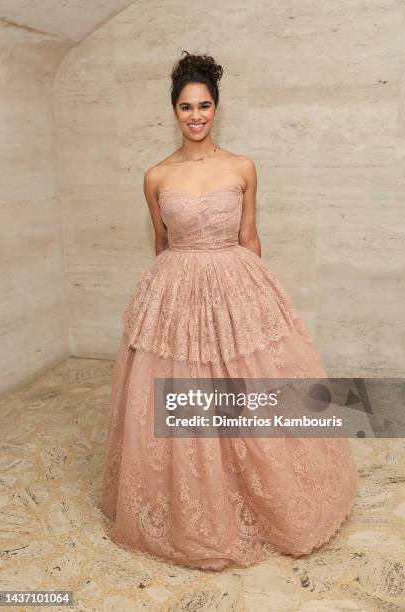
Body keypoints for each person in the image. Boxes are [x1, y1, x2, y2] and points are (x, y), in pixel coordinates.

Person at [100, 50, 358, 570]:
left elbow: (250, 237)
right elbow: (161, 241)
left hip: (236, 280)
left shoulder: (242, 166)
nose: (196, 116)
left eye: (205, 106)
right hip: (178, 286)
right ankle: (191, 509)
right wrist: (175, 302)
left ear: (217, 108)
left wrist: (253, 303)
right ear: (172, 111)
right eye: (185, 107)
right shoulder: (155, 176)